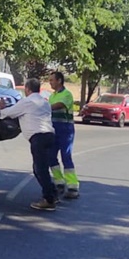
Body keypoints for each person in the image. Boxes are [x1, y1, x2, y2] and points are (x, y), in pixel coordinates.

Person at [0, 78, 58, 211]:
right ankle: (53, 193)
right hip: (50, 136)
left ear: (27, 89)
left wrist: (1, 108)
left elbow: (8, 113)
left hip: (38, 138)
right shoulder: (44, 102)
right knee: (42, 167)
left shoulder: (27, 101)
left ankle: (49, 199)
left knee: (40, 169)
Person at [47, 71, 79, 199]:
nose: (50, 82)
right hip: (54, 129)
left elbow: (57, 106)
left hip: (65, 130)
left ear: (59, 80)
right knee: (51, 156)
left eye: (52, 80)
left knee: (66, 156)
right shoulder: (52, 95)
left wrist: (43, 106)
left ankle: (72, 186)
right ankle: (59, 181)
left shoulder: (67, 95)